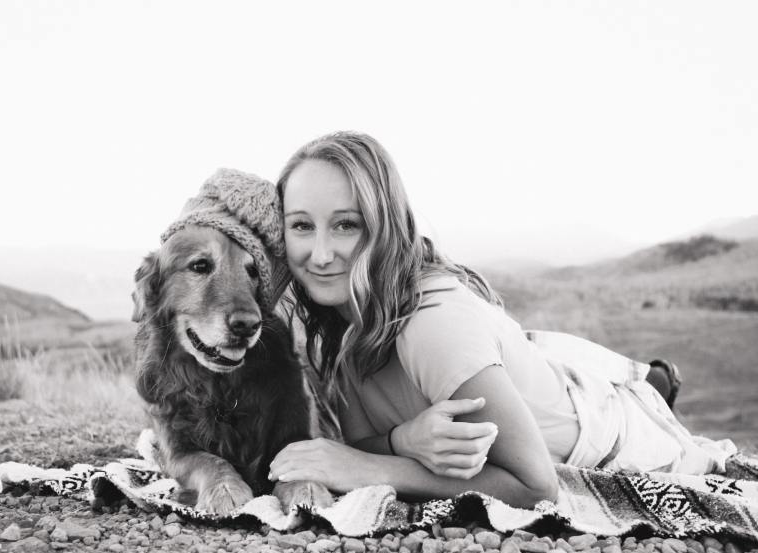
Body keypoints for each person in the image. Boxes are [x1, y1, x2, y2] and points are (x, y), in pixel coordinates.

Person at [267, 131, 736, 509]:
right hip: (532, 374)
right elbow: (361, 439)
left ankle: (650, 389)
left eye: (346, 224)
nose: (321, 254)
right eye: (302, 225)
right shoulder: (336, 323)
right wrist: (403, 439)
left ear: (383, 224)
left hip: (599, 430)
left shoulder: (432, 327)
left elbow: (535, 487)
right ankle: (642, 379)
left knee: (560, 378)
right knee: (530, 352)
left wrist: (366, 469)